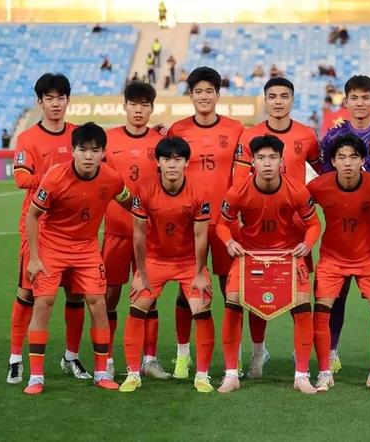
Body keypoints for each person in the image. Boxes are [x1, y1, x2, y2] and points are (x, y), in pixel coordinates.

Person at [22, 122, 133, 395]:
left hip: (86, 248)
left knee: (98, 303)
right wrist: (34, 258)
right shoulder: (54, 177)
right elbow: (32, 216)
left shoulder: (112, 178)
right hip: (52, 245)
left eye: (94, 151)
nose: (88, 156)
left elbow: (131, 202)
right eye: (82, 150)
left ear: (103, 153)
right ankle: (36, 377)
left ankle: (101, 373)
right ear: (72, 151)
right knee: (44, 304)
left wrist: (156, 208)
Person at [215, 135, 321, 394]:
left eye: (272, 157)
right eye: (261, 158)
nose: (267, 163)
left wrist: (307, 244)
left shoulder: (297, 190)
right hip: (250, 255)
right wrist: (229, 241)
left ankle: (301, 375)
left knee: (303, 304)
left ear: (281, 161)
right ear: (252, 161)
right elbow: (221, 224)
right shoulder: (238, 191)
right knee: (233, 301)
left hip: (287, 256)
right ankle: (231, 374)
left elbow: (314, 224)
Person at [232, 77, 322, 378]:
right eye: (273, 96)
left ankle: (300, 355)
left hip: (296, 232)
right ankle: (259, 354)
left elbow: (323, 173)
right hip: (258, 231)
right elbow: (239, 182)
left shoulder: (307, 134)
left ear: (292, 100)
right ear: (265, 100)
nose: (279, 102)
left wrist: (312, 201)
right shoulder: (250, 135)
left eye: (284, 96)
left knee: (299, 297)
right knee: (256, 295)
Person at [6, 73, 88, 385]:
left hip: (74, 230)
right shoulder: (28, 139)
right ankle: (16, 359)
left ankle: (71, 356)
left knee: (76, 295)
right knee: (27, 293)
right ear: (40, 102)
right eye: (49, 98)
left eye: (60, 98)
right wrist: (56, 176)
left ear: (68, 101)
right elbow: (21, 178)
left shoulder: (79, 135)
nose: (56, 104)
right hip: (37, 228)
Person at [120, 137, 215, 394]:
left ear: (186, 163)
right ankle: (133, 373)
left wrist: (200, 273)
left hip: (188, 262)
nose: (172, 165)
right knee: (137, 306)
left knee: (201, 308)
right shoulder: (144, 189)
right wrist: (140, 273)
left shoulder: (199, 192)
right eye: (166, 159)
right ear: (158, 162)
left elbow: (201, 236)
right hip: (154, 260)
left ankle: (202, 375)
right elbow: (138, 234)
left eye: (177, 159)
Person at [319, 75, 370, 374]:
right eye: (354, 97)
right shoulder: (333, 136)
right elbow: (325, 178)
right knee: (336, 295)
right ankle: (331, 352)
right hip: (342, 230)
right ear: (346, 101)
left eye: (366, 97)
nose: (360, 103)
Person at [167, 67, 244, 379]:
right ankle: (183, 355)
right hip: (189, 224)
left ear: (217, 95)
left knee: (231, 291)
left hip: (226, 223)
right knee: (187, 291)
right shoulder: (177, 129)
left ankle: (234, 358)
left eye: (209, 91)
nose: (203, 96)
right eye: (198, 91)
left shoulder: (236, 129)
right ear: (190, 95)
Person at [308, 134, 370, 393]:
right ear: (332, 161)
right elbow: (297, 208)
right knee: (321, 312)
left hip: (369, 258)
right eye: (341, 157)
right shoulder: (318, 186)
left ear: (362, 160)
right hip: (332, 259)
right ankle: (324, 372)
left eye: (353, 157)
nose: (347, 163)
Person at [102, 81, 166, 380]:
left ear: (152, 108)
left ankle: (149, 360)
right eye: (133, 104)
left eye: (144, 105)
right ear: (124, 106)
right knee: (109, 297)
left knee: (148, 296)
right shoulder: (107, 139)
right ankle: (106, 359)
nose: (138, 110)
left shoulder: (161, 141)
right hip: (115, 231)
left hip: (149, 233)